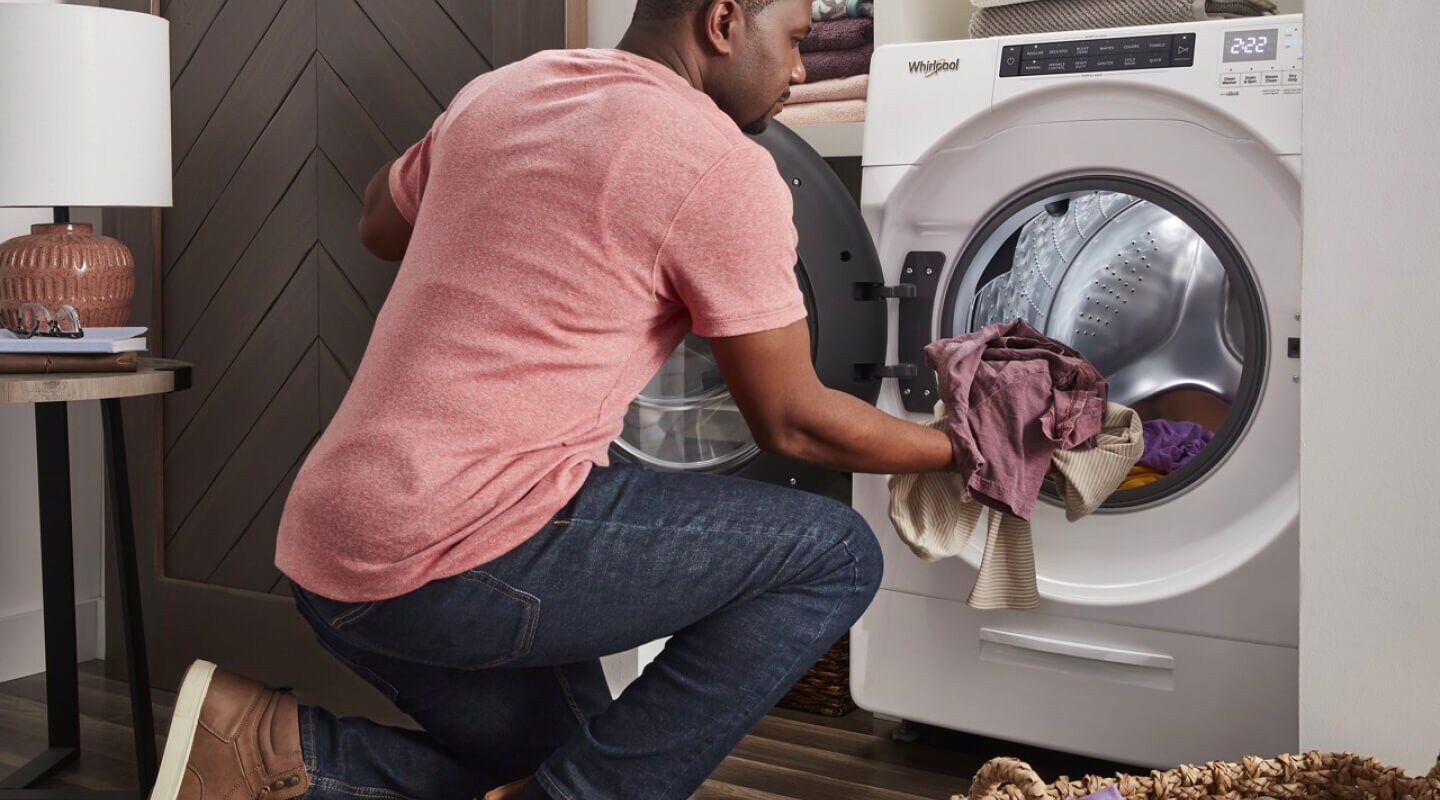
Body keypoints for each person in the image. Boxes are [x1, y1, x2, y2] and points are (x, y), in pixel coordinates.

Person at [149, 1, 953, 798]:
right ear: (723, 21)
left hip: (331, 541)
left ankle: (259, 747)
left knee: (579, 771)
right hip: (456, 554)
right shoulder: (720, 162)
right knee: (836, 553)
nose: (801, 70)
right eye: (796, 41)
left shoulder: (506, 89)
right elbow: (791, 421)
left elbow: (376, 225)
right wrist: (962, 448)